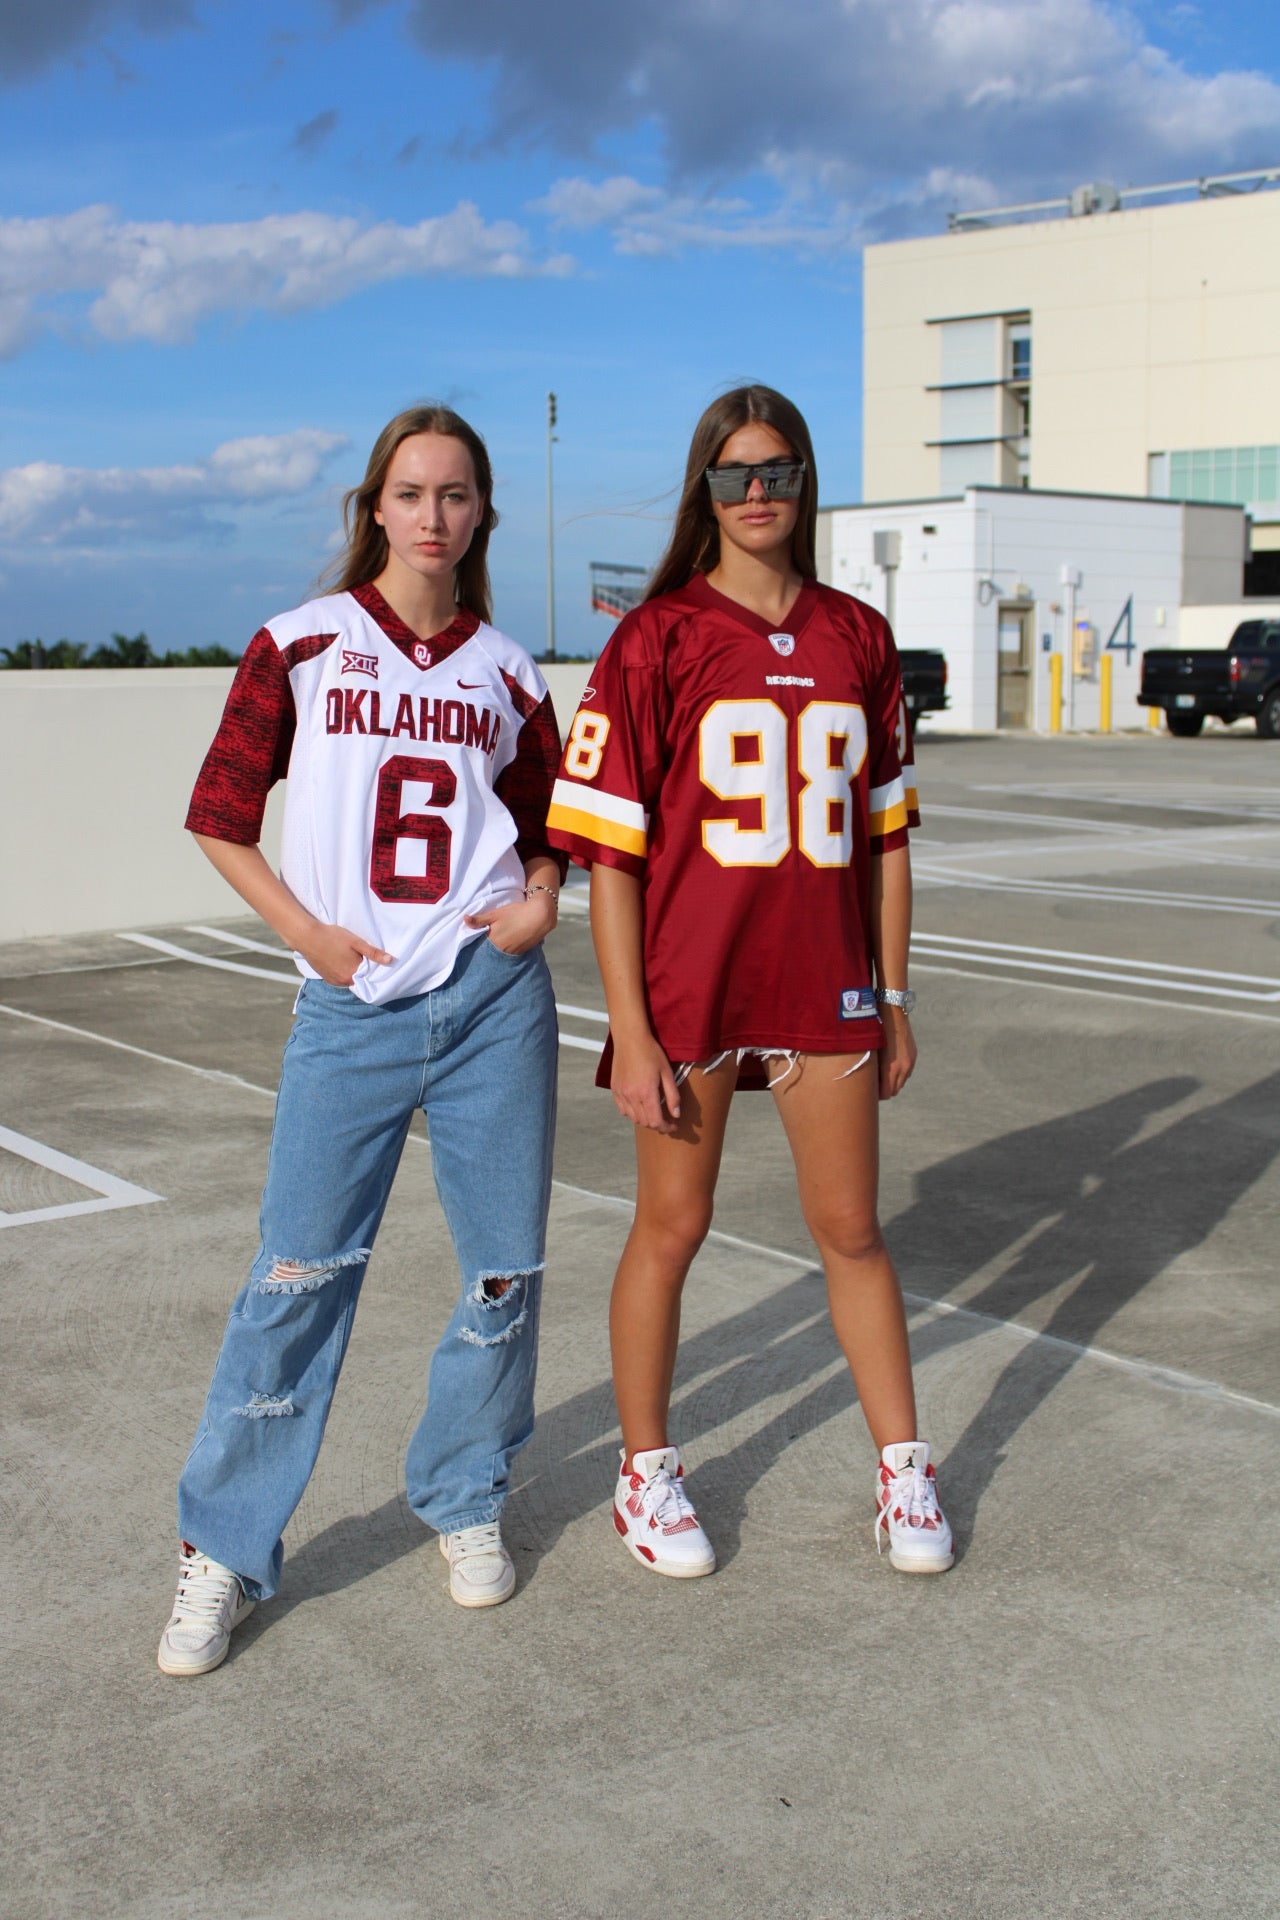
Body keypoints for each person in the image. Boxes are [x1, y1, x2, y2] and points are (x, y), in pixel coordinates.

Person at [158, 405, 565, 1677]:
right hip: (350, 1007)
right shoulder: (300, 646)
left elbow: (548, 825)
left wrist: (540, 902)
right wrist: (313, 935)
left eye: (455, 494)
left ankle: (464, 1495)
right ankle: (222, 1547)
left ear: (481, 512)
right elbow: (220, 817)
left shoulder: (509, 671)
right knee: (296, 1279)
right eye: (411, 493)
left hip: (494, 1004)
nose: (433, 514)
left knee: (500, 1275)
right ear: (373, 510)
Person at [545, 385, 952, 1580]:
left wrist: (894, 993)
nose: (757, 491)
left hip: (822, 983)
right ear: (704, 490)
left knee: (852, 1231)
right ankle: (645, 1470)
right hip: (691, 990)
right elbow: (607, 856)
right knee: (671, 1226)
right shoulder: (655, 636)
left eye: (775, 469)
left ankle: (900, 1468)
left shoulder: (857, 636)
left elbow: (886, 840)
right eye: (733, 473)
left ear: (804, 479)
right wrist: (630, 1023)